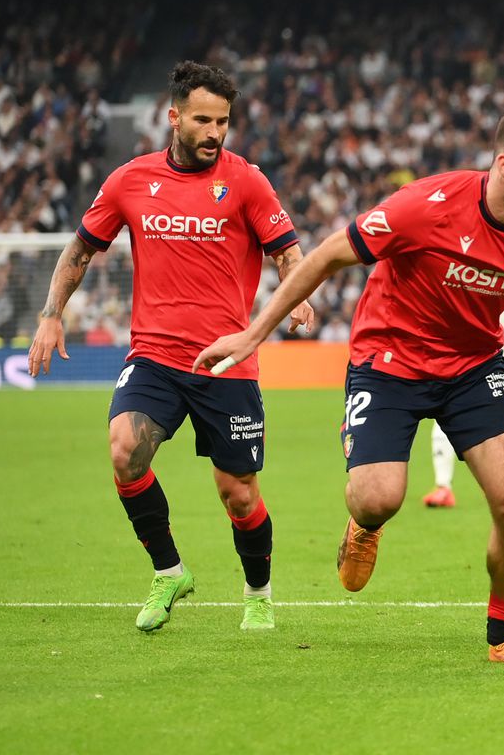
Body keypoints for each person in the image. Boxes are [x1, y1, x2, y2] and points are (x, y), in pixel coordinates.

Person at [194, 105, 504, 666]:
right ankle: (363, 525)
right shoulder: (426, 207)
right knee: (378, 498)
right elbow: (328, 255)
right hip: (389, 360)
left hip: (474, 365)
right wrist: (254, 335)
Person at [27, 61, 313, 633]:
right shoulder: (130, 179)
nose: (214, 132)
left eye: (223, 121)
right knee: (123, 449)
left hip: (227, 360)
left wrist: (296, 293)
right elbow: (80, 250)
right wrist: (51, 315)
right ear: (174, 117)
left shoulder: (247, 182)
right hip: (155, 356)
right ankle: (170, 570)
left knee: (238, 495)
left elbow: (288, 252)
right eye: (203, 120)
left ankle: (258, 592)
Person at [422, 308, 504, 508]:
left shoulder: (497, 295)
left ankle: (490, 482)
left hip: (485, 362)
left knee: (493, 423)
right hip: (457, 360)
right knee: (446, 418)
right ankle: (445, 487)